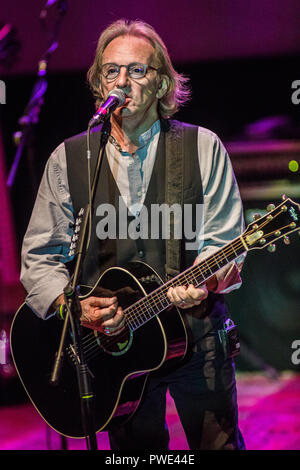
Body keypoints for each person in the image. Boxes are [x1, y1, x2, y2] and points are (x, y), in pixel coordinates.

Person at [20, 19, 246, 450]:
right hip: (114, 351)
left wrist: (207, 280)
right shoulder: (69, 158)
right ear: (98, 82)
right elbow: (39, 257)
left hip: (198, 343)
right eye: (111, 71)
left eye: (136, 71)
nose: (121, 82)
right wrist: (75, 306)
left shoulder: (202, 147)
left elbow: (226, 243)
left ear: (161, 85)